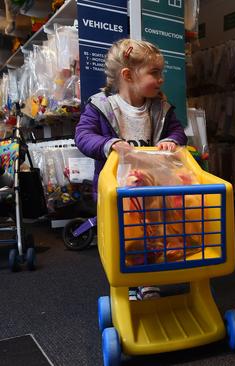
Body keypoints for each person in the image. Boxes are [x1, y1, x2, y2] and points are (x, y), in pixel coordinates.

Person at [75, 39, 187, 300]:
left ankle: (150, 279)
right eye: (154, 73)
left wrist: (172, 140)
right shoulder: (102, 106)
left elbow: (177, 131)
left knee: (156, 232)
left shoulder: (160, 107)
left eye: (161, 73)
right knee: (128, 237)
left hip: (154, 185)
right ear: (128, 75)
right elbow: (82, 136)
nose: (161, 80)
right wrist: (109, 144)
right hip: (116, 187)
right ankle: (133, 281)